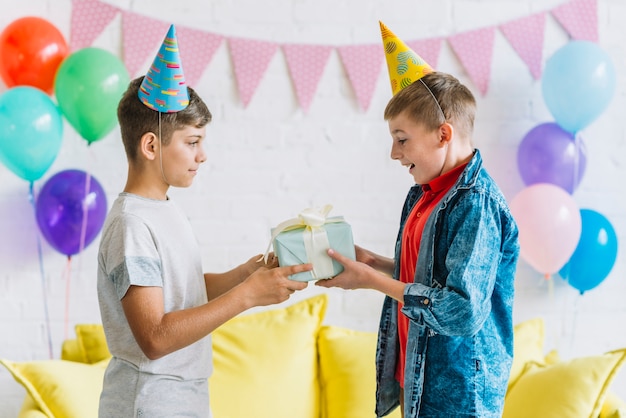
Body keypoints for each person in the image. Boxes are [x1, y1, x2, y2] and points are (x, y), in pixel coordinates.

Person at [96, 25, 311, 418]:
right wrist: (247, 297)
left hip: (183, 398)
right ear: (151, 145)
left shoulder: (163, 209)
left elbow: (183, 295)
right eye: (192, 142)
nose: (202, 155)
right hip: (148, 402)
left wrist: (245, 276)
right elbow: (156, 337)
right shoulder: (131, 226)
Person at [317, 22, 519, 418]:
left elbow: (461, 310)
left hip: (459, 395)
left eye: (402, 138)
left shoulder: (476, 204)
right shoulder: (425, 194)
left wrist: (371, 281)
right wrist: (374, 264)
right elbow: (432, 278)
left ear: (443, 134)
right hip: (420, 380)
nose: (394, 153)